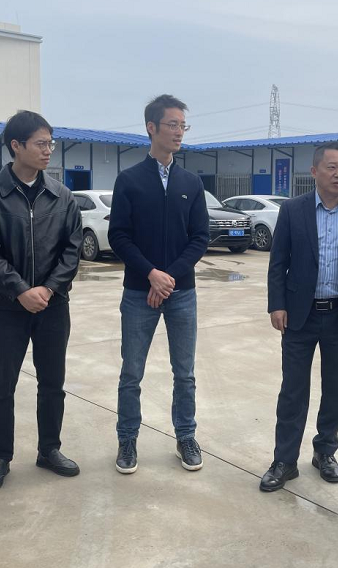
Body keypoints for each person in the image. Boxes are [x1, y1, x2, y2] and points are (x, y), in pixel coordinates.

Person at [259, 141, 338, 492]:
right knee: (293, 391)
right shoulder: (293, 210)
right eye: (332, 167)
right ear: (314, 171)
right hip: (300, 315)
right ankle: (284, 460)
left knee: (336, 390)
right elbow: (278, 262)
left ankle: (325, 451)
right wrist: (276, 304)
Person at [0, 111, 82, 492]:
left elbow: (72, 250)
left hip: (53, 305)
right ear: (16, 146)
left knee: (53, 382)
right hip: (8, 307)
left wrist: (48, 290)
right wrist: (20, 290)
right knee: (2, 384)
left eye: (51, 143)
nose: (48, 150)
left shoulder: (62, 196)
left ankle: (49, 449)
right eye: (40, 143)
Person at [108, 94, 209, 474]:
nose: (179, 132)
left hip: (182, 294)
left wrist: (169, 278)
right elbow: (119, 236)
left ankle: (186, 436)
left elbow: (199, 237)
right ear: (151, 127)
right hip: (139, 292)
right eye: (172, 125)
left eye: (183, 125)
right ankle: (127, 439)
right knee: (131, 372)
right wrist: (151, 274)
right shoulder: (129, 180)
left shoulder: (191, 182)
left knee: (185, 373)